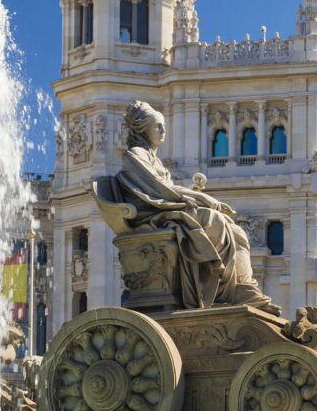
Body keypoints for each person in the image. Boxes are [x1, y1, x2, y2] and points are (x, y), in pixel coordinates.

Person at [116, 100, 279, 313]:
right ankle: (223, 290)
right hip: (154, 216)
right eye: (157, 126)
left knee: (237, 230)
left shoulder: (153, 159)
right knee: (215, 220)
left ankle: (240, 286)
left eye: (163, 125)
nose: (163, 131)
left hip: (168, 210)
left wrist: (197, 198)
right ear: (141, 128)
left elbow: (167, 188)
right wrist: (202, 199)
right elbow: (160, 190)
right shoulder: (135, 155)